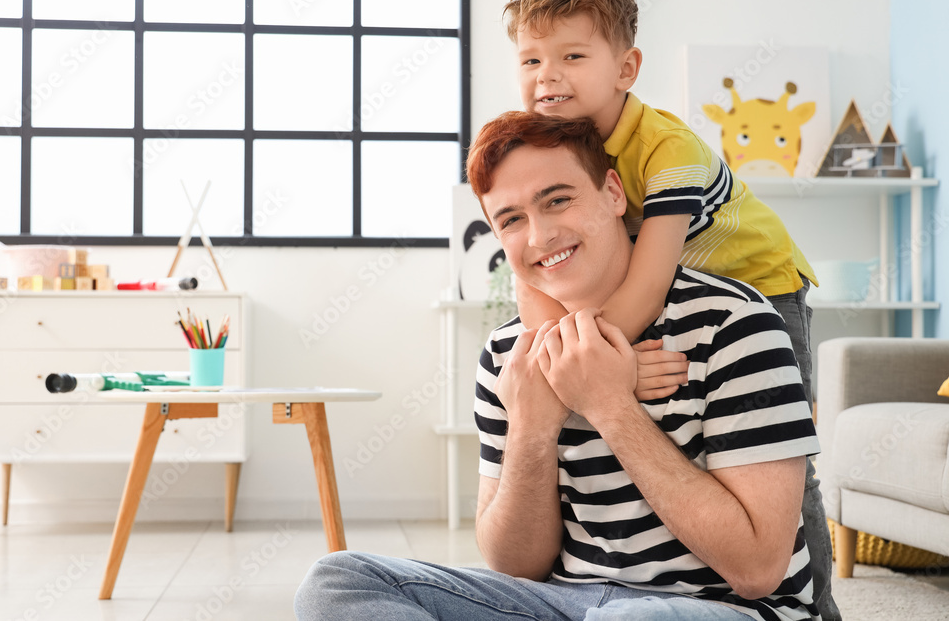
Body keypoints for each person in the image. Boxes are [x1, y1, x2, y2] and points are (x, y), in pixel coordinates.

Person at [295, 112, 822, 621]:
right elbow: (516, 566)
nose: (539, 236)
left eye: (558, 200)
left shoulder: (734, 323)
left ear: (614, 193)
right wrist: (531, 425)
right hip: (564, 604)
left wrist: (611, 405)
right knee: (337, 583)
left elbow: (758, 569)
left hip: (720, 609)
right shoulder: (509, 357)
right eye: (512, 220)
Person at [502, 0, 837, 619]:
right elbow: (532, 281)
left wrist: (605, 370)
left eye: (573, 55)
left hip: (763, 286)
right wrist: (562, 354)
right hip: (684, 287)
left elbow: (648, 281)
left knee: (782, 460)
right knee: (674, 421)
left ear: (626, 69)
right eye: (531, 59)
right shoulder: (541, 143)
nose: (548, 76)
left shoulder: (667, 148)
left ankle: (816, 606)